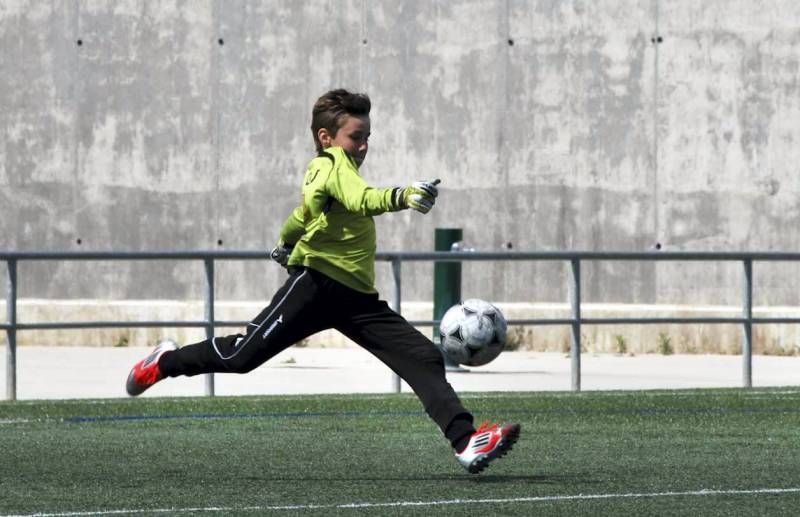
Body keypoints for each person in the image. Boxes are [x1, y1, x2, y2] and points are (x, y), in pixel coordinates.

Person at [125, 88, 520, 474]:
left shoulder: (332, 170)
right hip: (315, 287)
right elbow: (362, 198)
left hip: (357, 299)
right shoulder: (331, 165)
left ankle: (466, 442)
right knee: (240, 357)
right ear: (326, 138)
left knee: (424, 357)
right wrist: (403, 194)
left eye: (367, 137)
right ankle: (164, 363)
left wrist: (285, 241)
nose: (363, 145)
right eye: (356, 137)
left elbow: (302, 216)